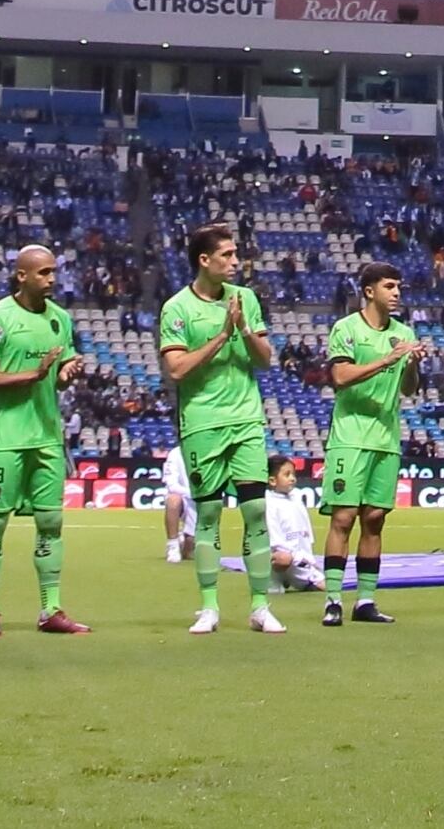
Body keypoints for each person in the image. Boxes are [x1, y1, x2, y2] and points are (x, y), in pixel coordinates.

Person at [162, 223, 288, 633]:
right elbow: (177, 368)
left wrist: (246, 330)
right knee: (210, 514)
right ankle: (209, 607)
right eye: (228, 255)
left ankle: (259, 606)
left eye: (236, 255)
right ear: (205, 260)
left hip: (246, 420)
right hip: (203, 423)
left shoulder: (245, 299)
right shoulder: (176, 307)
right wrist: (222, 335)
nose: (236, 262)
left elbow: (266, 359)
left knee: (254, 510)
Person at [0, 244, 87, 637]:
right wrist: (34, 375)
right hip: (5, 436)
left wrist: (67, 373)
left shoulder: (60, 320)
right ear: (22, 275)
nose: (52, 279)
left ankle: (51, 609)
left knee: (51, 522)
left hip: (47, 437)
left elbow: (61, 370)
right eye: (44, 273)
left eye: (54, 272)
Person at [321, 261, 420, 625]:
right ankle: (333, 600)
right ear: (369, 291)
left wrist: (410, 364)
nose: (396, 293)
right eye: (390, 286)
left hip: (386, 437)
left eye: (399, 287)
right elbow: (341, 376)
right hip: (350, 436)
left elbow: (409, 388)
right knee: (343, 517)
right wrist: (389, 358)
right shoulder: (345, 329)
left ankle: (365, 601)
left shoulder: (404, 332)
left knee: (375, 520)